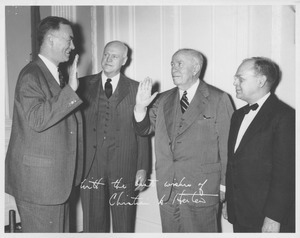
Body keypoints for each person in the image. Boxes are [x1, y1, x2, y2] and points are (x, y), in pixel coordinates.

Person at [133, 48, 234, 232]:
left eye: (179, 64)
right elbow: (144, 129)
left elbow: (228, 147)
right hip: (168, 186)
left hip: (202, 186)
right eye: (172, 64)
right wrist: (140, 108)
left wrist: (225, 185)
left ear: (195, 68)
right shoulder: (163, 99)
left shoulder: (219, 99)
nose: (173, 69)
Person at [5, 16, 83, 232]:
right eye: (69, 40)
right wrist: (71, 91)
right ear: (50, 39)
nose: (73, 46)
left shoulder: (54, 75)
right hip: (40, 185)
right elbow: (38, 120)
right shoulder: (31, 75)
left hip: (55, 182)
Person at [78, 41, 150, 232]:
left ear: (124, 60)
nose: (108, 59)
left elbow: (142, 131)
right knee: (92, 224)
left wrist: (142, 167)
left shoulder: (136, 89)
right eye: (106, 54)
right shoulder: (82, 84)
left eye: (115, 56)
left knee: (124, 224)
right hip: (91, 166)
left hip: (124, 165)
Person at [222, 57, 295, 232]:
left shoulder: (285, 116)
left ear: (261, 81)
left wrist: (274, 216)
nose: (234, 82)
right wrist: (228, 202)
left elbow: (286, 173)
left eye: (241, 78)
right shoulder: (238, 115)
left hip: (265, 217)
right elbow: (233, 163)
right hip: (239, 212)